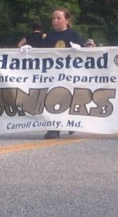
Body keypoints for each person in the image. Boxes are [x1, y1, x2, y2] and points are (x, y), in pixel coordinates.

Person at [35, 8, 84, 139]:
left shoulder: (74, 35)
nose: (55, 21)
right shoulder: (50, 36)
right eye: (53, 18)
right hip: (53, 74)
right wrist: (28, 50)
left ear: (67, 20)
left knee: (68, 100)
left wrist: (80, 49)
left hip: (69, 74)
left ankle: (71, 122)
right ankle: (53, 129)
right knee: (52, 100)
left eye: (58, 18)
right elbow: (40, 52)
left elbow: (86, 55)